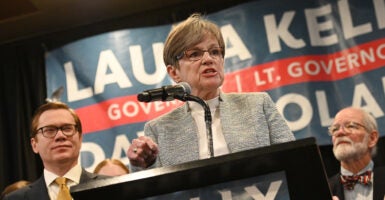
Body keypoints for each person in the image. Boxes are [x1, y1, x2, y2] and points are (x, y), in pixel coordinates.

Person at [127, 13, 295, 171]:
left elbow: (294, 162)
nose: (208, 59)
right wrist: (141, 165)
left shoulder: (258, 105)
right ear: (174, 72)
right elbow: (150, 190)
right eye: (194, 54)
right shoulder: (159, 129)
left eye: (215, 52)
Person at [4, 102, 107, 200]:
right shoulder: (15, 199)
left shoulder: (110, 188)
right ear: (34, 144)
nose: (60, 136)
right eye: (49, 130)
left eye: (67, 128)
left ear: (80, 138)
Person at [328, 107, 385, 200]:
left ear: (372, 138)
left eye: (351, 126)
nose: (340, 132)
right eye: (335, 129)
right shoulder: (321, 191)